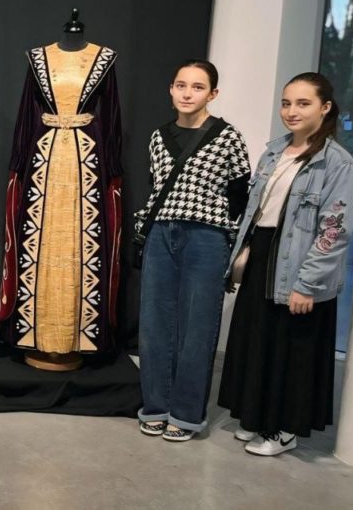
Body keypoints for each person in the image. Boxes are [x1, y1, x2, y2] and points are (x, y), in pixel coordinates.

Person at [218, 72, 353, 456]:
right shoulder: (274, 151)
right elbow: (255, 212)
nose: (291, 111)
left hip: (299, 261)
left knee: (289, 349)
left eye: (303, 103)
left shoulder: (337, 164)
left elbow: (333, 231)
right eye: (286, 103)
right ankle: (255, 417)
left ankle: (282, 430)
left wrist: (307, 284)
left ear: (325, 107)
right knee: (258, 341)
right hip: (264, 253)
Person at [133, 60, 251, 442]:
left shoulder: (228, 137)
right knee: (155, 324)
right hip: (160, 233)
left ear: (213, 94)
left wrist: (234, 242)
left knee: (197, 326)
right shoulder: (158, 136)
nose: (187, 93)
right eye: (181, 85)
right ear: (171, 89)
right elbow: (155, 186)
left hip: (206, 236)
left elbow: (240, 196)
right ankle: (156, 406)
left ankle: (185, 415)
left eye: (198, 87)